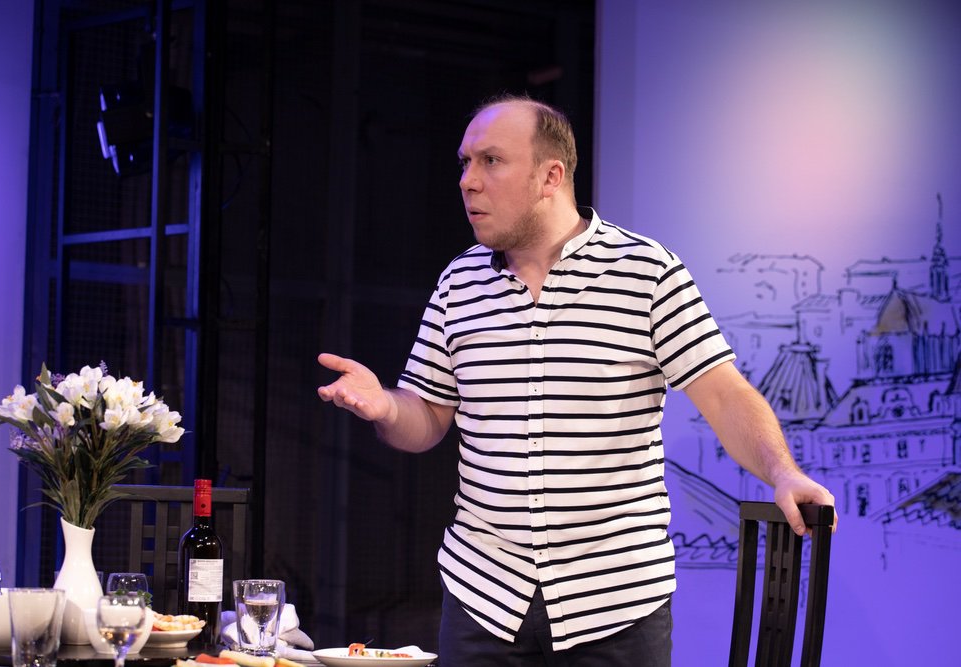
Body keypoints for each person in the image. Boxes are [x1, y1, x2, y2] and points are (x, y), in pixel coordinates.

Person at [317, 94, 836, 666]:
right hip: (485, 597)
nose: (468, 181)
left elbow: (724, 393)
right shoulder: (459, 282)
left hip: (615, 603)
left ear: (551, 176)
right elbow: (428, 418)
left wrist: (783, 472)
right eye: (465, 162)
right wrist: (388, 409)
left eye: (491, 160)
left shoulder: (646, 271)